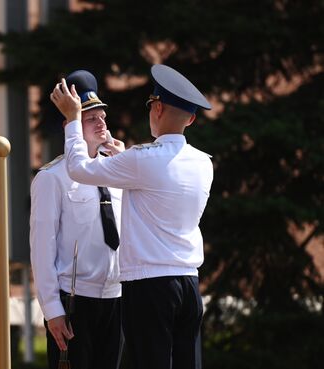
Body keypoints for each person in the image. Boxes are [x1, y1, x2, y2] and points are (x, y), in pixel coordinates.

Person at [50, 64, 214, 369]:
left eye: (151, 104)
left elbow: (78, 169)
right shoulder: (203, 163)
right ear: (191, 118)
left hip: (150, 286)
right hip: (189, 283)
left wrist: (73, 119)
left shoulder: (141, 159)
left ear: (158, 108)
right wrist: (124, 158)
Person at [30, 70, 125, 369]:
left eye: (102, 117)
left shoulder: (117, 170)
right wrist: (52, 310)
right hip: (75, 302)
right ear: (69, 125)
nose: (101, 123)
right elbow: (41, 247)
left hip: (116, 297)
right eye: (90, 118)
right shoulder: (52, 178)